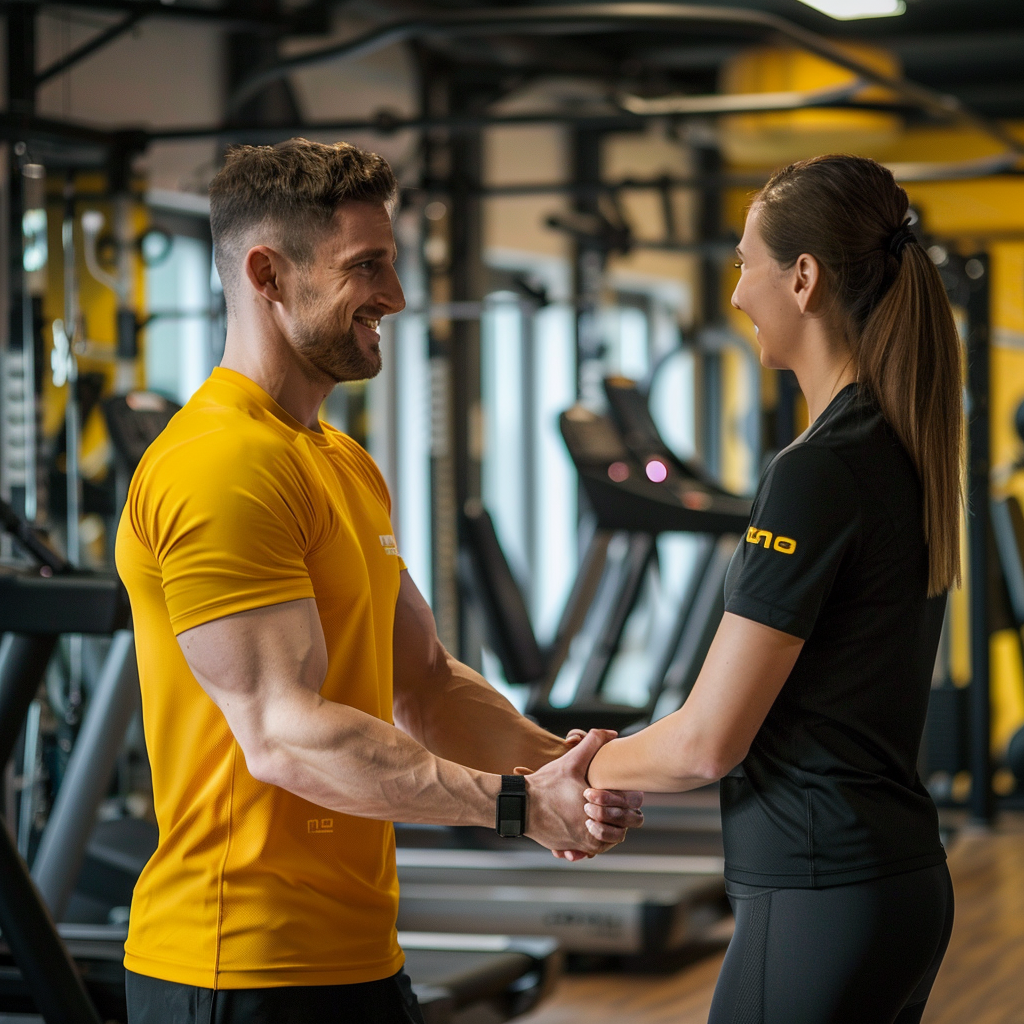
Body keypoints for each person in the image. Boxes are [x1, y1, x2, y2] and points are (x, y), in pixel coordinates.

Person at [115, 138, 643, 1024]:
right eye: (367, 267)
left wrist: (563, 769)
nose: (395, 297)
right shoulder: (222, 465)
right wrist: (516, 806)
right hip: (235, 964)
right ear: (267, 274)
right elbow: (284, 735)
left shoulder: (338, 459)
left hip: (355, 952)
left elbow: (425, 680)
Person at [582, 154, 961, 1024]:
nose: (735, 292)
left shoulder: (818, 470)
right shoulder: (894, 445)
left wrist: (571, 770)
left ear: (803, 279)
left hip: (819, 890)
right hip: (891, 879)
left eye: (746, 263)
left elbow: (707, 743)